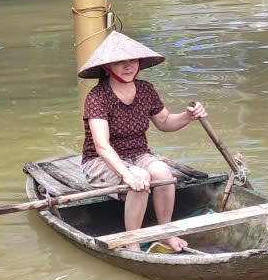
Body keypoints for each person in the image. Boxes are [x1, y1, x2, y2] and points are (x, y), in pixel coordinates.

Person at [77, 31, 208, 252]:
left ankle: (165, 231)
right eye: (120, 62)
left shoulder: (146, 89)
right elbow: (102, 146)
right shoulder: (97, 97)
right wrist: (127, 174)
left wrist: (188, 116)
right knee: (140, 177)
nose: (128, 66)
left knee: (163, 172)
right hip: (101, 162)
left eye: (132, 61)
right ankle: (133, 241)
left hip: (139, 154)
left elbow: (165, 122)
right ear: (108, 67)